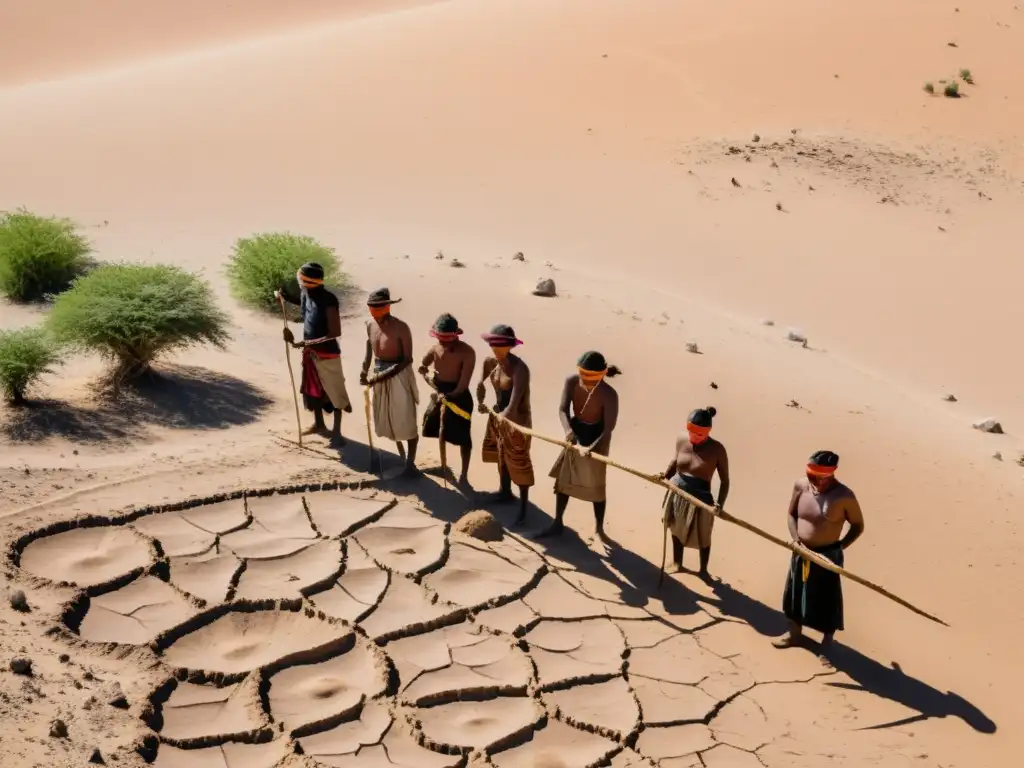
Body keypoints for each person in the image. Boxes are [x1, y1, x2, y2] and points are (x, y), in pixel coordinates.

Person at [773, 450, 865, 666]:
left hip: (827, 556)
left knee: (826, 600)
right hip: (801, 551)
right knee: (795, 593)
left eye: (817, 477)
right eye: (810, 475)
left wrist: (840, 546)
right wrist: (796, 540)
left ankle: (826, 646)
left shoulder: (844, 496)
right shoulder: (801, 485)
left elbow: (858, 525)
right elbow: (791, 514)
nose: (812, 480)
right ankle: (794, 634)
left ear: (829, 476)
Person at [538, 351, 621, 540]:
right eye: (583, 374)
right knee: (563, 479)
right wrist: (568, 431)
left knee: (596, 484)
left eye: (591, 376)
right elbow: (562, 409)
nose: (586, 379)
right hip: (574, 432)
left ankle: (599, 529)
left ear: (601, 374)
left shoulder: (609, 394)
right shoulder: (572, 381)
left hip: (598, 438)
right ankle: (557, 522)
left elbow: (608, 430)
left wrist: (591, 448)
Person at [277, 263, 352, 447]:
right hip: (310, 352)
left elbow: (335, 332)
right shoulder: (306, 293)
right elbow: (305, 305)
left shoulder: (329, 300)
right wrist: (284, 297)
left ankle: (337, 434)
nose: (299, 280)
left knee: (334, 392)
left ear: (308, 281)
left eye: (301, 278)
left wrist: (307, 343)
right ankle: (319, 424)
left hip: (327, 353)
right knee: (313, 390)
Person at [660, 406, 730, 579]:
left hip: (701, 497)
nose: (694, 438)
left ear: (708, 432)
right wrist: (664, 475)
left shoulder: (717, 449)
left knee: (703, 535)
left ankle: (703, 570)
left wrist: (719, 504)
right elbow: (675, 461)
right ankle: (677, 562)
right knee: (676, 528)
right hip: (677, 490)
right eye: (691, 433)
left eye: (699, 435)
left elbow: (725, 481)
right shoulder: (682, 439)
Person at [476, 324, 534, 525]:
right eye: (493, 345)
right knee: (501, 456)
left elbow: (516, 400)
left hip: (517, 420)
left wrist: (505, 416)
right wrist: (481, 402)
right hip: (498, 415)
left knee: (519, 461)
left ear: (509, 346)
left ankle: (524, 508)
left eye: (499, 346)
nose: (495, 349)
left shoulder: (520, 369)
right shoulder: (490, 362)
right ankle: (504, 491)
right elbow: (480, 385)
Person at [358, 288, 419, 475]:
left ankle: (410, 465)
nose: (374, 310)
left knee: (406, 419)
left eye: (377, 306)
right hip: (378, 372)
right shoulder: (369, 324)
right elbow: (369, 347)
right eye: (371, 306)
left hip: (399, 375)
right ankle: (401, 456)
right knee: (387, 418)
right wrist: (364, 369)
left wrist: (383, 376)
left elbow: (408, 359)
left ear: (387, 307)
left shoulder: (401, 327)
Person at [419, 313, 477, 485]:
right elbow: (424, 363)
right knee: (435, 427)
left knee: (464, 438)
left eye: (446, 339)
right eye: (440, 339)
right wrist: (424, 370)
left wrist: (449, 396)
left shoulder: (467, 352)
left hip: (459, 397)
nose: (442, 343)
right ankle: (443, 467)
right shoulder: (435, 348)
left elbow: (463, 383)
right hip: (440, 392)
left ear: (455, 335)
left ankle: (464, 475)